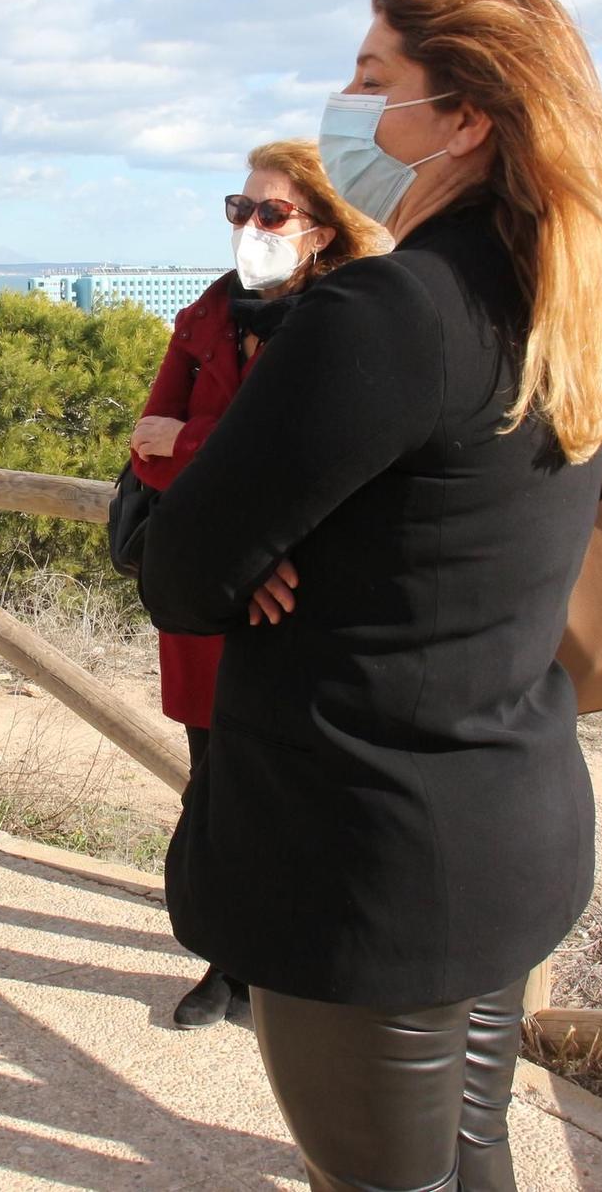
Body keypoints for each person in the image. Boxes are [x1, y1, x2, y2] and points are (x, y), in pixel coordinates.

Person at [140, 0, 602, 1190]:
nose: (344, 100)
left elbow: (182, 567)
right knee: (468, 1156)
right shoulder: (561, 300)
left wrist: (253, 552)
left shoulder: (387, 308)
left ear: (465, 116)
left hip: (363, 856)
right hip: (502, 826)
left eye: (373, 76)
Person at [129, 139, 385, 1030]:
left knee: (294, 788)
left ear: (322, 230)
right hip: (212, 591)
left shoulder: (350, 318)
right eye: (240, 208)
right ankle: (225, 960)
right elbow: (143, 447)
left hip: (297, 597)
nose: (249, 227)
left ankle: (293, 961)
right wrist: (214, 480)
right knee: (213, 786)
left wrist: (195, 451)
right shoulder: (206, 312)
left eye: (270, 212)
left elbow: (320, 465)